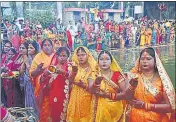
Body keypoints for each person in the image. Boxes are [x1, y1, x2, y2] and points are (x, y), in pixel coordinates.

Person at [126, 47, 175, 122]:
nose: (144, 61)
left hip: (156, 118)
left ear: (155, 62)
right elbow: (126, 98)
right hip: (134, 117)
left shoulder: (162, 81)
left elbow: (169, 107)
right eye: (142, 59)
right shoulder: (133, 77)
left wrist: (145, 105)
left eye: (148, 59)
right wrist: (132, 86)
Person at [88, 50, 138, 122]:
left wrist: (108, 95)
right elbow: (90, 90)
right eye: (101, 59)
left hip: (115, 109)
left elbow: (125, 94)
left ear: (111, 61)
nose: (104, 62)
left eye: (107, 59)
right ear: (98, 61)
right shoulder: (93, 74)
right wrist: (97, 82)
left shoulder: (117, 75)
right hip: (98, 108)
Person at [39, 47, 71, 122]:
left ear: (68, 57)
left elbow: (72, 79)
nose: (62, 58)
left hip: (64, 96)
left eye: (64, 56)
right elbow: (42, 81)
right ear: (57, 56)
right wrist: (45, 75)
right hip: (52, 95)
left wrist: (63, 72)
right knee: (52, 115)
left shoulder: (69, 68)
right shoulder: (51, 67)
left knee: (62, 116)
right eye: (60, 56)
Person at [66, 46, 97, 122]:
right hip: (74, 98)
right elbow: (69, 81)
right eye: (78, 55)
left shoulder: (93, 69)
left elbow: (93, 87)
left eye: (83, 55)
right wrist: (74, 71)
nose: (80, 57)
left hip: (87, 98)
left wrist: (83, 85)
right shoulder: (73, 67)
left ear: (88, 55)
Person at [29, 39, 55, 122]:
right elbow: (32, 74)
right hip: (42, 87)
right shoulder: (38, 57)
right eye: (45, 45)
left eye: (49, 45)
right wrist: (38, 69)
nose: (47, 47)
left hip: (54, 86)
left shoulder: (56, 56)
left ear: (52, 46)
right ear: (42, 47)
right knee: (43, 108)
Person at [19, 41, 39, 117]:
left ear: (36, 49)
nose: (29, 49)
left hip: (34, 84)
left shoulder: (37, 60)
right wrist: (24, 64)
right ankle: (30, 117)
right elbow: (21, 72)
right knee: (28, 102)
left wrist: (27, 63)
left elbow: (32, 73)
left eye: (31, 48)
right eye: (28, 48)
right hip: (28, 84)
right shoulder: (28, 58)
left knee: (35, 103)